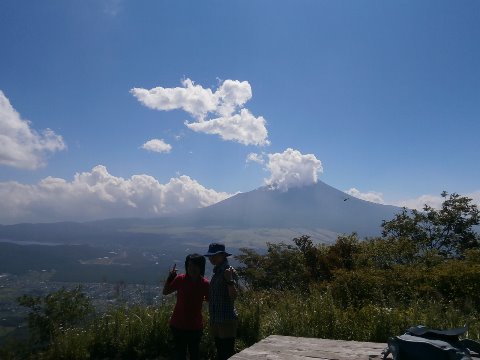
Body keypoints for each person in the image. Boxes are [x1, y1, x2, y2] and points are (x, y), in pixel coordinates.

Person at [163, 254, 209, 360]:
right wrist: (170, 278)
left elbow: (209, 299)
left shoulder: (205, 284)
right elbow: (165, 292)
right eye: (189, 266)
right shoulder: (180, 279)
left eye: (195, 266)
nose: (192, 268)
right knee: (180, 355)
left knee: (194, 355)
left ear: (201, 267)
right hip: (178, 325)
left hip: (195, 326)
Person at [204, 243, 239, 360]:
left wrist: (229, 280)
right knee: (221, 352)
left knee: (226, 353)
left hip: (226, 320)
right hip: (217, 319)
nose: (211, 258)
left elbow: (234, 296)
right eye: (210, 256)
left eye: (214, 255)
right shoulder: (218, 272)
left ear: (222, 256)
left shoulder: (229, 272)